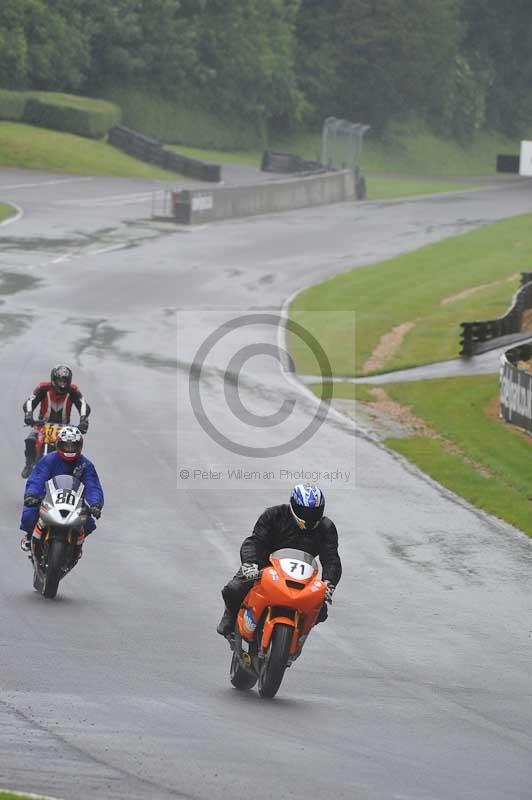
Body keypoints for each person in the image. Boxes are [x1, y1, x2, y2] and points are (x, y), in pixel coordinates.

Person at [217, 484, 342, 638]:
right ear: (293, 505)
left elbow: (332, 558)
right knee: (234, 589)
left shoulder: (326, 528)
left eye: (314, 512)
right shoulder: (273, 515)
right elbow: (255, 541)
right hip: (265, 566)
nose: (309, 517)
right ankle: (230, 617)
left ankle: (298, 637)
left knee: (320, 610)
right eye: (305, 512)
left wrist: (329, 583)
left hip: (303, 576)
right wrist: (251, 563)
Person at [20, 425, 104, 559]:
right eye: (66, 445)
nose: (70, 449)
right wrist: (32, 494)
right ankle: (29, 536)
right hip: (48, 498)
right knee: (29, 513)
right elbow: (37, 478)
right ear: (59, 444)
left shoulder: (86, 465)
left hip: (74, 503)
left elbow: (93, 485)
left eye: (73, 445)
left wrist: (96, 504)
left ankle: (77, 545)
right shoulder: (48, 460)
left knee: (89, 523)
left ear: (80, 446)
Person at [21, 365, 91, 478]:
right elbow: (30, 401)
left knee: (73, 446)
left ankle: (73, 474)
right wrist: (28, 414)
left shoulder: (73, 390)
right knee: (30, 440)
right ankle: (29, 464)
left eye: (65, 381)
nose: (62, 384)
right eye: (60, 381)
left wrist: (84, 420)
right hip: (42, 426)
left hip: (64, 428)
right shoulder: (43, 387)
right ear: (54, 379)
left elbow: (82, 404)